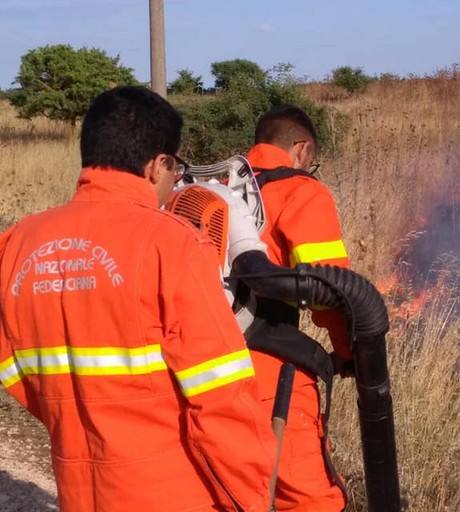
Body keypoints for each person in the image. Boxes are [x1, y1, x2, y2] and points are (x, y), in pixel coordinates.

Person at [0, 86, 276, 511]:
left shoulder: (16, 244)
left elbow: (13, 368)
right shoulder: (173, 245)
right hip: (175, 494)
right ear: (157, 164)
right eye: (175, 167)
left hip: (79, 491)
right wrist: (253, 502)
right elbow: (222, 400)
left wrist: (70, 415)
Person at [243, 104, 351, 512]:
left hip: (200, 362)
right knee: (307, 495)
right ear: (302, 149)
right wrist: (347, 352)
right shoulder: (300, 190)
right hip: (270, 366)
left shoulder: (215, 186)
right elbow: (330, 290)